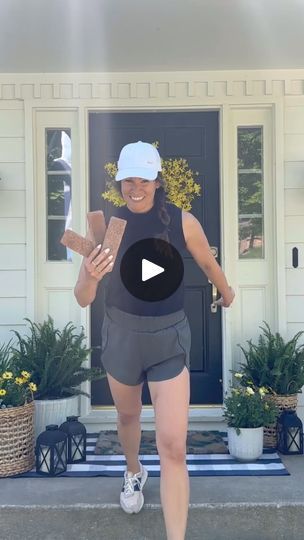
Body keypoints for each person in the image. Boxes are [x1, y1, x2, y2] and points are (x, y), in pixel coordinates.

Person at [74, 141, 235, 540]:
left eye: (143, 179)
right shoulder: (107, 226)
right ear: (120, 182)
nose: (135, 187)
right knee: (127, 417)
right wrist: (92, 274)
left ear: (157, 181)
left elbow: (206, 261)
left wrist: (226, 291)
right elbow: (82, 298)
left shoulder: (182, 221)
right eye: (128, 179)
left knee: (173, 447)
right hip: (122, 337)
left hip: (167, 339)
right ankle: (133, 471)